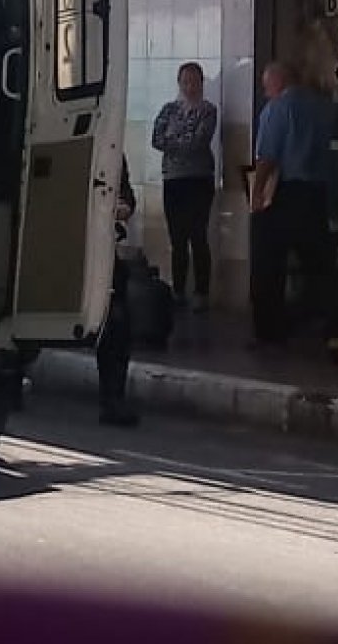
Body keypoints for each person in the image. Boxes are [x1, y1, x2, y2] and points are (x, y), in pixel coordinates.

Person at [248, 61, 335, 348]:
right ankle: (326, 324)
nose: (264, 91)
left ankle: (270, 329)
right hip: (319, 192)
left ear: (278, 82)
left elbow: (268, 156)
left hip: (284, 192)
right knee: (319, 263)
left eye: (266, 85)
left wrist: (257, 192)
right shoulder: (324, 107)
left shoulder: (278, 108)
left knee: (268, 263)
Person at [150, 63, 218, 314]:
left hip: (199, 179)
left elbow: (199, 142)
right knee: (177, 238)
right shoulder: (169, 109)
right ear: (179, 83)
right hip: (173, 180)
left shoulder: (208, 110)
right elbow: (156, 139)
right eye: (185, 82)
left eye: (194, 82)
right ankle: (178, 291)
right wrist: (180, 141)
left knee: (197, 236)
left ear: (201, 83)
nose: (190, 87)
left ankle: (202, 292)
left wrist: (173, 142)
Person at [95, 158, 140, 427]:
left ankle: (113, 399)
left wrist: (121, 206)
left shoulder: (110, 151)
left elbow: (127, 197)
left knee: (116, 326)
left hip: (102, 245)